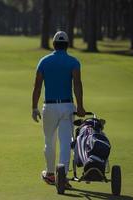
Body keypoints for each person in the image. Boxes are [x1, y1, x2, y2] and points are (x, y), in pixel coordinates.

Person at [31, 31, 86, 188]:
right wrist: (80, 106)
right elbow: (77, 85)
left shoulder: (44, 61)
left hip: (49, 106)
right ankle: (63, 177)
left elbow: (37, 87)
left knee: (49, 141)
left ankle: (50, 174)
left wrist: (34, 107)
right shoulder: (73, 62)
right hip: (67, 106)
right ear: (67, 45)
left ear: (54, 44)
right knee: (65, 142)